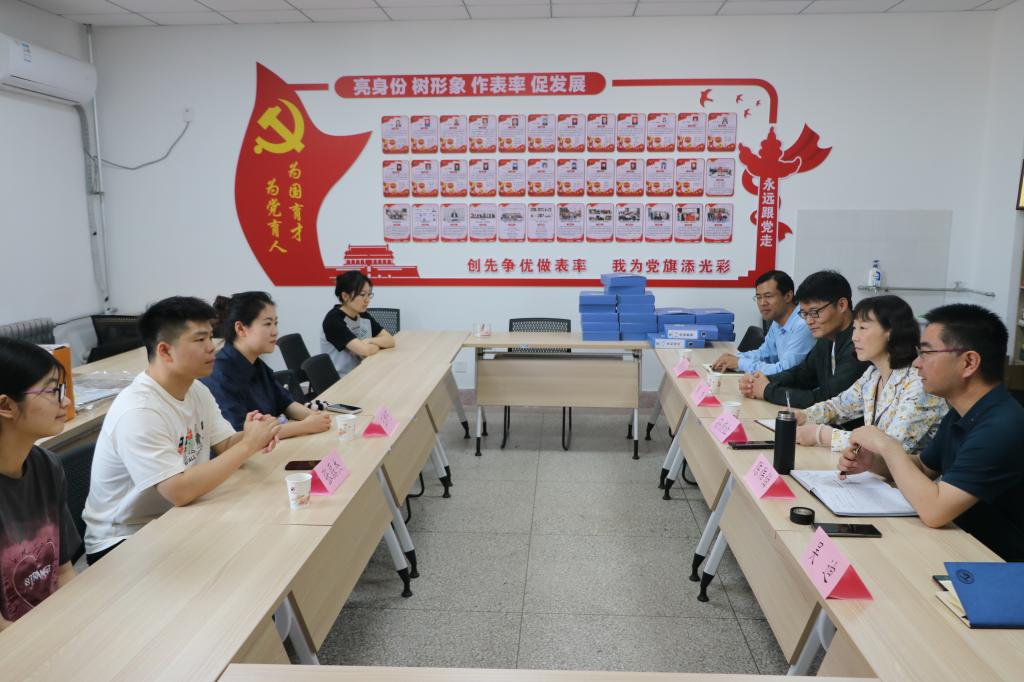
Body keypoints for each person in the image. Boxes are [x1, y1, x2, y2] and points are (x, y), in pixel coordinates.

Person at [83, 297, 280, 565]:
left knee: (261, 536)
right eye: (200, 340)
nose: (212, 347)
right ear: (165, 351)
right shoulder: (139, 410)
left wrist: (253, 434)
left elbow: (224, 445)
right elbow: (179, 491)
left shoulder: (196, 389)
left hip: (178, 515)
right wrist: (247, 446)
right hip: (124, 539)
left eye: (210, 336)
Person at [841, 304, 1024, 561]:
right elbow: (924, 467)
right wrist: (873, 462)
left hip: (1000, 563)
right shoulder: (962, 411)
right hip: (962, 543)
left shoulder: (1001, 426)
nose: (916, 363)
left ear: (969, 362)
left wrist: (887, 445)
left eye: (926, 353)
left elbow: (935, 511)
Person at [793, 295, 947, 453]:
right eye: (854, 328)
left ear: (891, 331)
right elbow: (839, 406)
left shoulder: (920, 382)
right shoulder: (873, 374)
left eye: (863, 328)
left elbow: (892, 446)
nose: (854, 337)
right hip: (875, 467)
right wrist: (802, 416)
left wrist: (822, 435)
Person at [0, 338, 80, 629]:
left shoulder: (47, 466)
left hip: (49, 628)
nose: (65, 401)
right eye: (51, 391)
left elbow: (63, 572)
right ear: (6, 405)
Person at [202, 291, 331, 437]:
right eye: (268, 324)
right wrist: (305, 426)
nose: (275, 331)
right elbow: (240, 434)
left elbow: (285, 402)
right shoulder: (218, 374)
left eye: (275, 323)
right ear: (241, 329)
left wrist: (315, 417)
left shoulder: (255, 363)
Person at [740, 270, 869, 410]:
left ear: (842, 305)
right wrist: (761, 381)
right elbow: (802, 374)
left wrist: (767, 390)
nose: (809, 321)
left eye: (814, 312)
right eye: (804, 314)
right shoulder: (827, 337)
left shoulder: (859, 344)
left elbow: (829, 399)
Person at [712, 270, 814, 374]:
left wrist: (740, 363)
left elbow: (786, 370)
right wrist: (735, 358)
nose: (762, 303)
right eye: (758, 297)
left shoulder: (804, 324)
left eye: (768, 296)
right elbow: (766, 354)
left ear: (788, 296)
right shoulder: (777, 321)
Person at [321, 271, 395, 376]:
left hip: (362, 371)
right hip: (341, 379)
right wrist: (375, 345)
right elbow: (365, 351)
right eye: (362, 295)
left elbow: (390, 340)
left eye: (369, 295)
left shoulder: (362, 314)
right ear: (345, 296)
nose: (367, 300)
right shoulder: (333, 321)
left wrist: (370, 340)